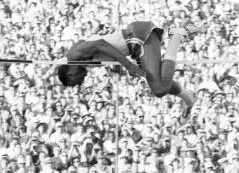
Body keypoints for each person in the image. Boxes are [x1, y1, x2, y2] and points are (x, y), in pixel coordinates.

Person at [57, 21, 203, 119]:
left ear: (70, 74)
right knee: (160, 84)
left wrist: (128, 65)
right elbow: (107, 48)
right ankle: (190, 101)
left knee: (159, 88)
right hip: (134, 47)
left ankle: (176, 36)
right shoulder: (81, 61)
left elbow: (101, 44)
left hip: (138, 37)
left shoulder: (74, 55)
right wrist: (119, 68)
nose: (81, 82)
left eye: (76, 82)